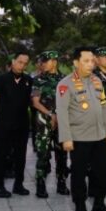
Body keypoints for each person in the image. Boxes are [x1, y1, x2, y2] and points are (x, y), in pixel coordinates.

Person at [57, 47, 106, 211]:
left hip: (100, 136)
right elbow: (62, 112)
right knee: (79, 174)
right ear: (76, 62)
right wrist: (66, 138)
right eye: (86, 61)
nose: (91, 64)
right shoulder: (65, 84)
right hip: (79, 138)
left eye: (92, 61)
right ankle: (80, 208)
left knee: (102, 172)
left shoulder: (97, 81)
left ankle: (99, 204)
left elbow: (104, 106)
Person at [0, 52, 33, 198]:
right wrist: (2, 113)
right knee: (1, 155)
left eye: (25, 63)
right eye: (20, 62)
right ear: (13, 61)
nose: (22, 65)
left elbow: (30, 101)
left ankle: (18, 185)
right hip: (4, 125)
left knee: (20, 156)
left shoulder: (28, 80)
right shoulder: (0, 79)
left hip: (22, 125)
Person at [31, 51, 68, 197]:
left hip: (61, 122)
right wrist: (50, 114)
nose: (42, 64)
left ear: (54, 62)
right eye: (42, 61)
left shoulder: (65, 80)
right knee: (43, 154)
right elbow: (35, 102)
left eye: (45, 61)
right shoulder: (38, 80)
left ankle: (61, 183)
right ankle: (40, 185)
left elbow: (67, 101)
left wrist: (58, 115)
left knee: (62, 154)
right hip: (43, 122)